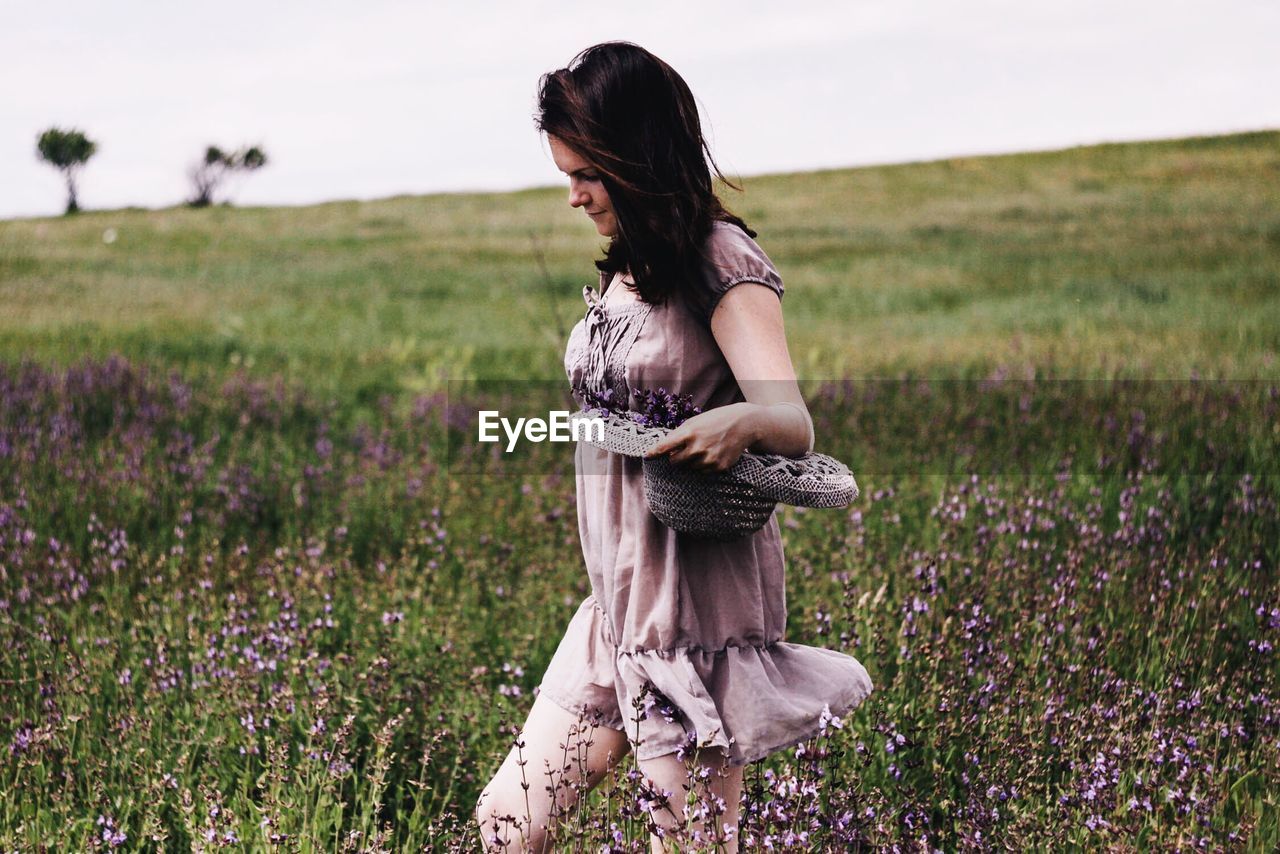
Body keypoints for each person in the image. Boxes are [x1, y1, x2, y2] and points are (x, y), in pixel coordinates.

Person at [475, 41, 873, 852]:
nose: (575, 196)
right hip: (613, 608)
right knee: (506, 828)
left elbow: (791, 419)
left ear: (637, 159)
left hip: (690, 618)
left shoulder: (719, 259)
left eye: (587, 174)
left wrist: (739, 423)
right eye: (567, 176)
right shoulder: (629, 270)